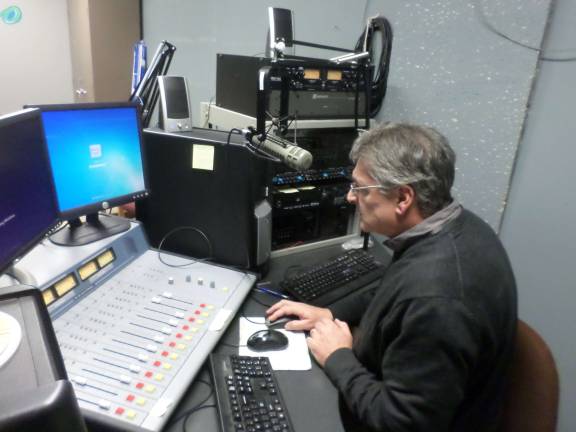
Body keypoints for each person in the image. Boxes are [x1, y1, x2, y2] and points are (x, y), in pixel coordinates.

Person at [267, 123, 518, 432]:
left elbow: (401, 422)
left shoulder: (438, 298)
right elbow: (395, 290)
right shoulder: (458, 226)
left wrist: (338, 358)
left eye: (359, 188)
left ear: (403, 198)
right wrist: (330, 313)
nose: (349, 198)